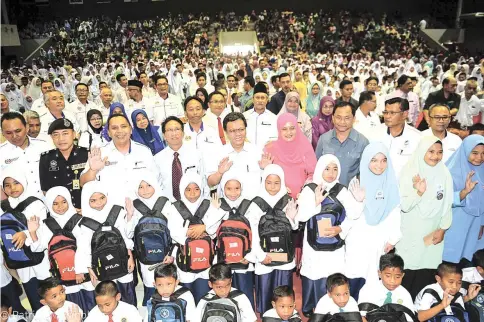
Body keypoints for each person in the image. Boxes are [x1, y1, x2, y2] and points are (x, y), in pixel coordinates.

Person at [297, 154, 363, 315]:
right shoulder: (310, 189)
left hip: (335, 244)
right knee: (313, 273)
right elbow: (301, 217)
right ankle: (309, 307)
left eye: (335, 169)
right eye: (327, 168)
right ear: (320, 169)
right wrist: (316, 203)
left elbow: (353, 215)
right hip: (313, 243)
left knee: (332, 273)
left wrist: (341, 229)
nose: (331, 173)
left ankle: (333, 307)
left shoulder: (342, 190)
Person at [397, 136, 453, 299]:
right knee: (408, 273)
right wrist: (419, 192)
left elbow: (447, 204)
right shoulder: (409, 172)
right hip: (411, 234)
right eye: (431, 151)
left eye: (439, 152)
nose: (435, 156)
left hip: (433, 235)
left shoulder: (444, 172)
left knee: (427, 275)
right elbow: (405, 206)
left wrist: (443, 228)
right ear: (422, 151)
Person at [344, 142, 401, 298]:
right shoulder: (356, 181)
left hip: (380, 237)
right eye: (374, 160)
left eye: (383, 160)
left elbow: (395, 212)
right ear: (366, 160)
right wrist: (359, 201)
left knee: (375, 276)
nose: (379, 165)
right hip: (358, 237)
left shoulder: (391, 182)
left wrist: (393, 239)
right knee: (355, 273)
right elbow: (352, 215)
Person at [28, 186, 95, 313]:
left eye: (64, 202)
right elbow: (38, 248)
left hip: (83, 274)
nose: (60, 206)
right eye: (55, 203)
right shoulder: (47, 224)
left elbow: (85, 246)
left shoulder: (79, 219)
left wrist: (80, 269)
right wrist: (33, 232)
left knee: (90, 305)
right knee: (71, 307)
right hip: (62, 277)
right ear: (48, 204)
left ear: (69, 201)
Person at [246, 164, 298, 313]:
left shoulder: (287, 200)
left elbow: (293, 229)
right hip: (265, 256)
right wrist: (260, 255)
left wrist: (293, 219)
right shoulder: (256, 204)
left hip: (284, 257)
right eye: (269, 182)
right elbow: (253, 232)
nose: (273, 187)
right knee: (266, 291)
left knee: (283, 291)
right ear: (263, 182)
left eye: (277, 183)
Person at [78, 181, 136, 305]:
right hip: (100, 265)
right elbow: (84, 247)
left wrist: (130, 256)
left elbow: (125, 237)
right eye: (93, 200)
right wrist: (89, 267)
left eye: (102, 198)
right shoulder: (85, 222)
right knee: (107, 296)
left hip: (122, 259)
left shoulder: (117, 212)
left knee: (126, 292)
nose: (99, 203)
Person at [1, 167, 50, 312]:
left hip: (40, 258)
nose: (12, 188)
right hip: (20, 262)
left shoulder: (36, 203)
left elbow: (42, 229)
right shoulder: (3, 207)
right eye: (7, 185)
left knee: (49, 293)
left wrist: (26, 234)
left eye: (16, 183)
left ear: (24, 182)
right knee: (34, 297)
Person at [80, 113, 159, 203]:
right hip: (112, 210)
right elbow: (83, 183)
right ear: (109, 133)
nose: (119, 131)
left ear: (130, 129)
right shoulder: (100, 153)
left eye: (123, 126)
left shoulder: (144, 151)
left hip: (143, 209)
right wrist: (93, 170)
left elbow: (156, 180)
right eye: (114, 128)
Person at [167, 173, 216, 303]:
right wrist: (190, 232)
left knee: (203, 292)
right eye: (188, 189)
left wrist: (204, 227)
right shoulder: (175, 207)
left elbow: (215, 228)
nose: (192, 193)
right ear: (182, 190)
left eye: (196, 189)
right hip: (184, 257)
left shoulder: (209, 204)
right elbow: (173, 231)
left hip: (206, 257)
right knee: (187, 293)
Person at [205, 112, 269, 199]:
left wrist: (267, 169)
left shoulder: (257, 151)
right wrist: (219, 173)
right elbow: (210, 183)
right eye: (232, 131)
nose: (238, 134)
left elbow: (268, 181)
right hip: (228, 208)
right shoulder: (218, 153)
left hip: (253, 206)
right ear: (226, 133)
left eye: (241, 129)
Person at [443, 135, 484, 263]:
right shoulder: (449, 171)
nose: (479, 158)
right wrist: (465, 192)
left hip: (476, 224)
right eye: (475, 153)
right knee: (451, 260)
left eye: (483, 153)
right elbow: (444, 201)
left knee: (470, 261)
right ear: (465, 151)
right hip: (455, 222)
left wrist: (482, 223)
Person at [315, 101, 369, 186]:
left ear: (354, 119)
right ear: (333, 118)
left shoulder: (363, 142)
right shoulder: (323, 139)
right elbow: (317, 166)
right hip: (325, 195)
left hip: (350, 195)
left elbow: (365, 172)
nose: (342, 122)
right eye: (338, 117)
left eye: (347, 118)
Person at [264, 113, 316, 199]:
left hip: (302, 199)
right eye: (284, 129)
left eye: (292, 128)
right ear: (279, 130)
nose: (289, 132)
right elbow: (265, 178)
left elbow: (313, 173)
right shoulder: (269, 149)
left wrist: (306, 191)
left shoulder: (305, 148)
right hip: (277, 200)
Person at [39, 118, 88, 210]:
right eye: (56, 135)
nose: (61, 139)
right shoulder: (46, 158)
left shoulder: (86, 154)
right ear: (51, 138)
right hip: (61, 211)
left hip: (86, 208)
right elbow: (46, 190)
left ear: (74, 135)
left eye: (65, 133)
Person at [0, 112, 49, 199]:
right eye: (8, 133)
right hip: (18, 207)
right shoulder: (1, 152)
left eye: (18, 131)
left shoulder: (44, 146)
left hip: (47, 203)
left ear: (26, 128)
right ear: (2, 133)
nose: (14, 136)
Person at [155, 116, 203, 201]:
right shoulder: (157, 159)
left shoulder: (196, 154)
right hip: (168, 206)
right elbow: (156, 186)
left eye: (177, 129)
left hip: (194, 203)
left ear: (183, 133)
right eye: (170, 130)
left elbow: (203, 182)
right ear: (164, 136)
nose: (174, 133)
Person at [358, 253, 415, 321]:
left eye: (397, 277)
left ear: (402, 275)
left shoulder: (404, 294)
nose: (392, 281)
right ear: (379, 273)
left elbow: (409, 318)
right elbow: (361, 316)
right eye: (388, 276)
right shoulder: (368, 289)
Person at [414, 262, 480, 321]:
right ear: (438, 279)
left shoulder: (458, 292)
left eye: (459, 282)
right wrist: (442, 305)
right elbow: (420, 317)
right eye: (451, 282)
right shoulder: (430, 292)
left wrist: (468, 297)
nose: (455, 286)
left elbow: (457, 305)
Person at [377, 97, 421, 178]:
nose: (387, 116)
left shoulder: (417, 138)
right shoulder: (375, 134)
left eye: (392, 113)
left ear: (404, 114)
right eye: (385, 112)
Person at [243, 82, 278, 150]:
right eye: (257, 98)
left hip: (267, 154)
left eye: (262, 98)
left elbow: (275, 138)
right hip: (247, 153)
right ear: (253, 99)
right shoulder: (244, 116)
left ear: (267, 100)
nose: (260, 100)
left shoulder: (274, 118)